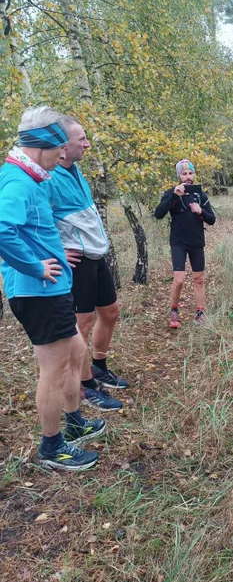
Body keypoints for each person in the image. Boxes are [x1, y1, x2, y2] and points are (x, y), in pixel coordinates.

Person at [0, 106, 105, 470]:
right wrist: (33, 266)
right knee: (55, 368)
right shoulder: (17, 181)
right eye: (59, 148)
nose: (64, 155)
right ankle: (52, 447)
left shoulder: (32, 178)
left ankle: (74, 423)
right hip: (37, 292)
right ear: (40, 144)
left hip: (52, 289)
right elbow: (2, 229)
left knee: (76, 353)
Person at [44, 115, 126, 411]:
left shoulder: (76, 169)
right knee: (83, 321)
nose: (87, 143)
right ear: (62, 148)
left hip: (95, 254)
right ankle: (85, 383)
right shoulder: (48, 177)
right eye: (82, 139)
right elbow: (32, 221)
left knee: (111, 312)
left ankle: (99, 366)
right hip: (76, 261)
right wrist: (53, 252)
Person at [154, 159, 216, 328]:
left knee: (199, 278)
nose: (188, 177)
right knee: (179, 279)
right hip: (178, 242)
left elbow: (212, 219)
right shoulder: (171, 193)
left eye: (190, 173)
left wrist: (200, 211)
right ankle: (174, 310)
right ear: (179, 176)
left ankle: (200, 313)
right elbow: (158, 213)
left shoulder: (200, 194)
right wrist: (175, 195)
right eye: (184, 174)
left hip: (196, 241)